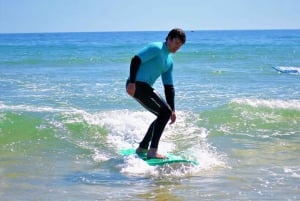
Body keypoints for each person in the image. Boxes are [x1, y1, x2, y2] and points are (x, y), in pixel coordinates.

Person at [126, 28, 186, 159]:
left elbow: (169, 87)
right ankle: (152, 151)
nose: (177, 47)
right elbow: (136, 59)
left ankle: (142, 147)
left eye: (180, 45)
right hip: (136, 84)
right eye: (176, 42)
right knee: (164, 112)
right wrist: (131, 82)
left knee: (164, 113)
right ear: (168, 38)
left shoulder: (169, 61)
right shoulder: (156, 48)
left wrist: (173, 110)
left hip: (145, 87)